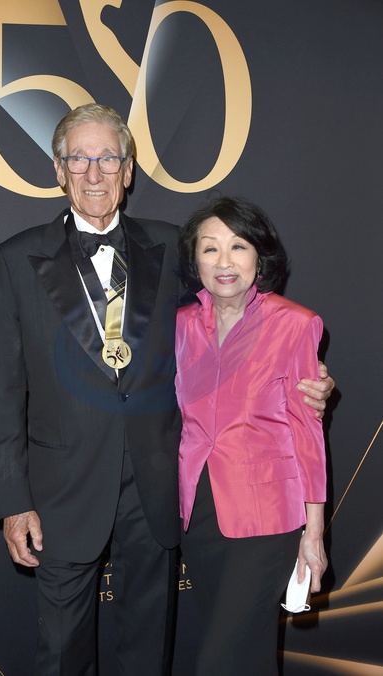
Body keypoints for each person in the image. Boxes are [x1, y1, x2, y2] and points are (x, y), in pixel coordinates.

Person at [0, 105, 333, 675]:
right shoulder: (15, 258)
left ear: (127, 172)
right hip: (62, 492)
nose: (93, 173)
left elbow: (238, 307)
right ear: (58, 169)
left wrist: (309, 376)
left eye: (108, 159)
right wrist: (12, 501)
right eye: (79, 159)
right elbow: (2, 389)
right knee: (62, 652)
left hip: (157, 485)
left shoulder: (172, 246)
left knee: (149, 650)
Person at [176, 195, 328, 675]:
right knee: (250, 656)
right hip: (199, 514)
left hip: (266, 518)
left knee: (218, 661)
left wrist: (314, 533)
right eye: (210, 248)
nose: (224, 261)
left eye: (238, 246)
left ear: (259, 258)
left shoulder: (295, 324)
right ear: (195, 261)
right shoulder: (180, 326)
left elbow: (308, 433)